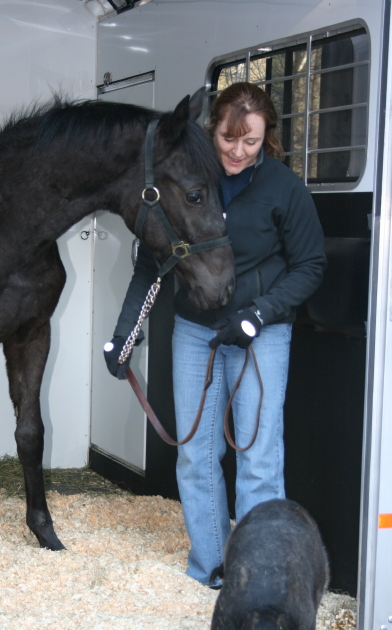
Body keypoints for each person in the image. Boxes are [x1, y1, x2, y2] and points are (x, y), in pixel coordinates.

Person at [104, 82, 327, 588]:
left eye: (251, 142)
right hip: (195, 332)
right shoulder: (187, 181)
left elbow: (311, 265)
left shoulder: (283, 188)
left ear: (266, 138)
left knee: (259, 459)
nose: (238, 151)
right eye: (230, 138)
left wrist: (259, 315)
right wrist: (124, 335)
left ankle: (257, 579)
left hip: (260, 335)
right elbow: (149, 267)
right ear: (213, 130)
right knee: (197, 456)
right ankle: (210, 571)